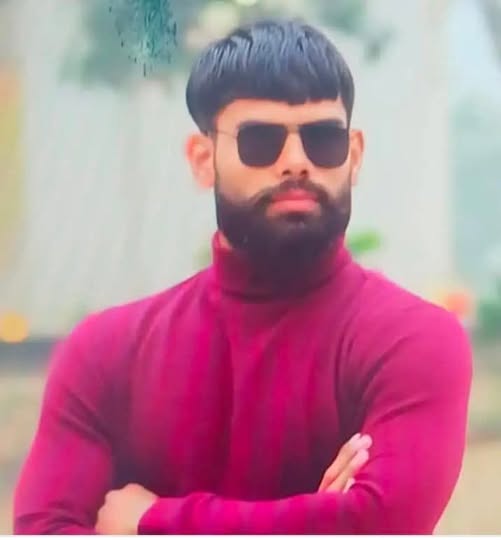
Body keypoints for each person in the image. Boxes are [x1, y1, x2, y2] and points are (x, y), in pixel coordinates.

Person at [13, 18, 472, 535]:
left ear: (355, 155)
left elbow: (382, 522)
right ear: (202, 159)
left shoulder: (411, 340)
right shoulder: (106, 351)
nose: (296, 162)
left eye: (323, 139)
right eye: (261, 140)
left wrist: (154, 520)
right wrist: (316, 520)